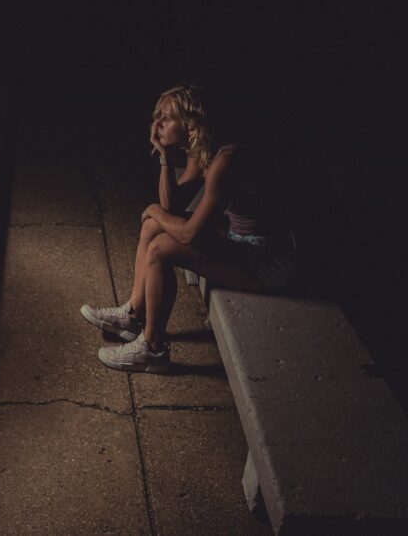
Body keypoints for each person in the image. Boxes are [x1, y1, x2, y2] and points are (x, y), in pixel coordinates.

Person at [81, 84, 299, 374]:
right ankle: (133, 316)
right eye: (157, 116)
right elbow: (170, 204)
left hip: (268, 261)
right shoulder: (203, 149)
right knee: (152, 226)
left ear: (192, 124)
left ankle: (153, 348)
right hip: (242, 244)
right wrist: (166, 157)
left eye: (166, 118)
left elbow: (189, 234)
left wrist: (155, 211)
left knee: (160, 248)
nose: (156, 124)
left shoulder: (226, 159)